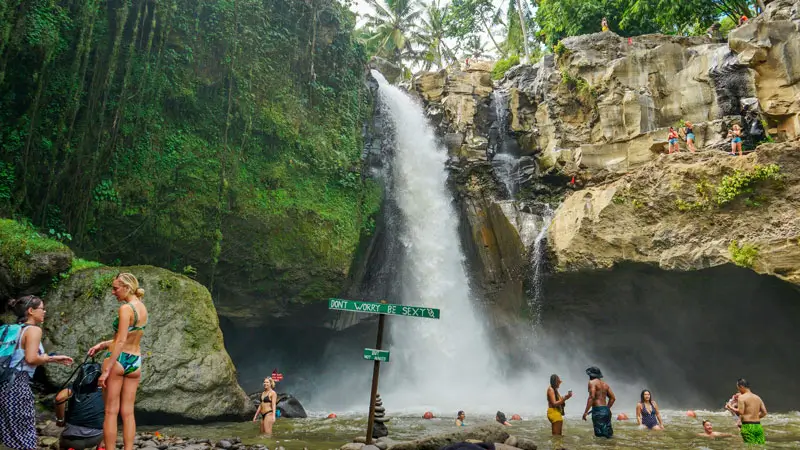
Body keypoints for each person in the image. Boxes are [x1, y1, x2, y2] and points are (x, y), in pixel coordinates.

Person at [0, 295, 74, 450]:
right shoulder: (33, 330)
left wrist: (53, 358)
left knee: (9, 432)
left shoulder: (13, 329)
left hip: (4, 384)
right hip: (17, 384)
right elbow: (31, 359)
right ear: (31, 311)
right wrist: (49, 359)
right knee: (25, 433)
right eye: (42, 308)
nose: (44, 311)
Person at [88, 273, 148, 450]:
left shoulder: (125, 309)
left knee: (110, 412)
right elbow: (128, 337)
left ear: (127, 287)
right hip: (135, 361)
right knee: (128, 413)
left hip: (118, 360)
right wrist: (102, 344)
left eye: (115, 288)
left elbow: (121, 341)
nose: (113, 292)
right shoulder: (142, 308)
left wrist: (106, 371)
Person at [54, 361, 104, 449]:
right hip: (96, 438)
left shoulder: (75, 388)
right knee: (109, 420)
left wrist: (60, 420)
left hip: (71, 439)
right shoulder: (105, 389)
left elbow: (59, 398)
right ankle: (102, 446)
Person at [728, 378, 767, 444]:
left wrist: (730, 407)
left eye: (738, 388)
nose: (738, 390)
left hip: (747, 426)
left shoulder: (742, 397)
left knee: (750, 447)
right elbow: (764, 412)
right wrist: (755, 417)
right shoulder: (757, 397)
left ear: (742, 386)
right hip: (758, 426)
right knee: (760, 446)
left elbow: (741, 412)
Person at [582, 366, 615, 438]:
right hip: (606, 411)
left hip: (598, 411)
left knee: (600, 436)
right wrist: (607, 408)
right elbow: (613, 398)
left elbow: (591, 397)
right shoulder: (605, 384)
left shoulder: (592, 383)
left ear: (591, 375)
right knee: (608, 435)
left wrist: (585, 412)